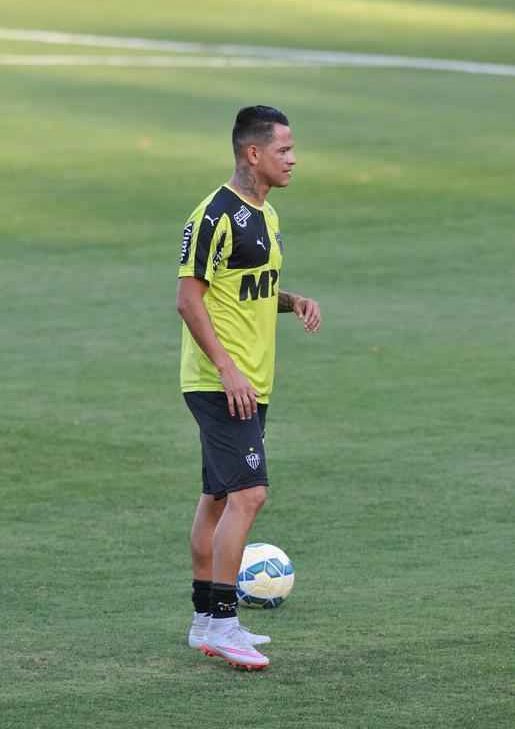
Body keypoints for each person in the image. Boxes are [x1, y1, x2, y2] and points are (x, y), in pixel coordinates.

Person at [176, 105, 321, 670]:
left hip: (251, 383)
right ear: (253, 154)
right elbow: (190, 299)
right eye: (284, 149)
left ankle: (203, 620)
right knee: (249, 495)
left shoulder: (268, 215)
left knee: (217, 497)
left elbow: (250, 289)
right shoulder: (214, 215)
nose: (293, 158)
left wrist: (293, 300)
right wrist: (226, 368)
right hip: (221, 383)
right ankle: (225, 624)